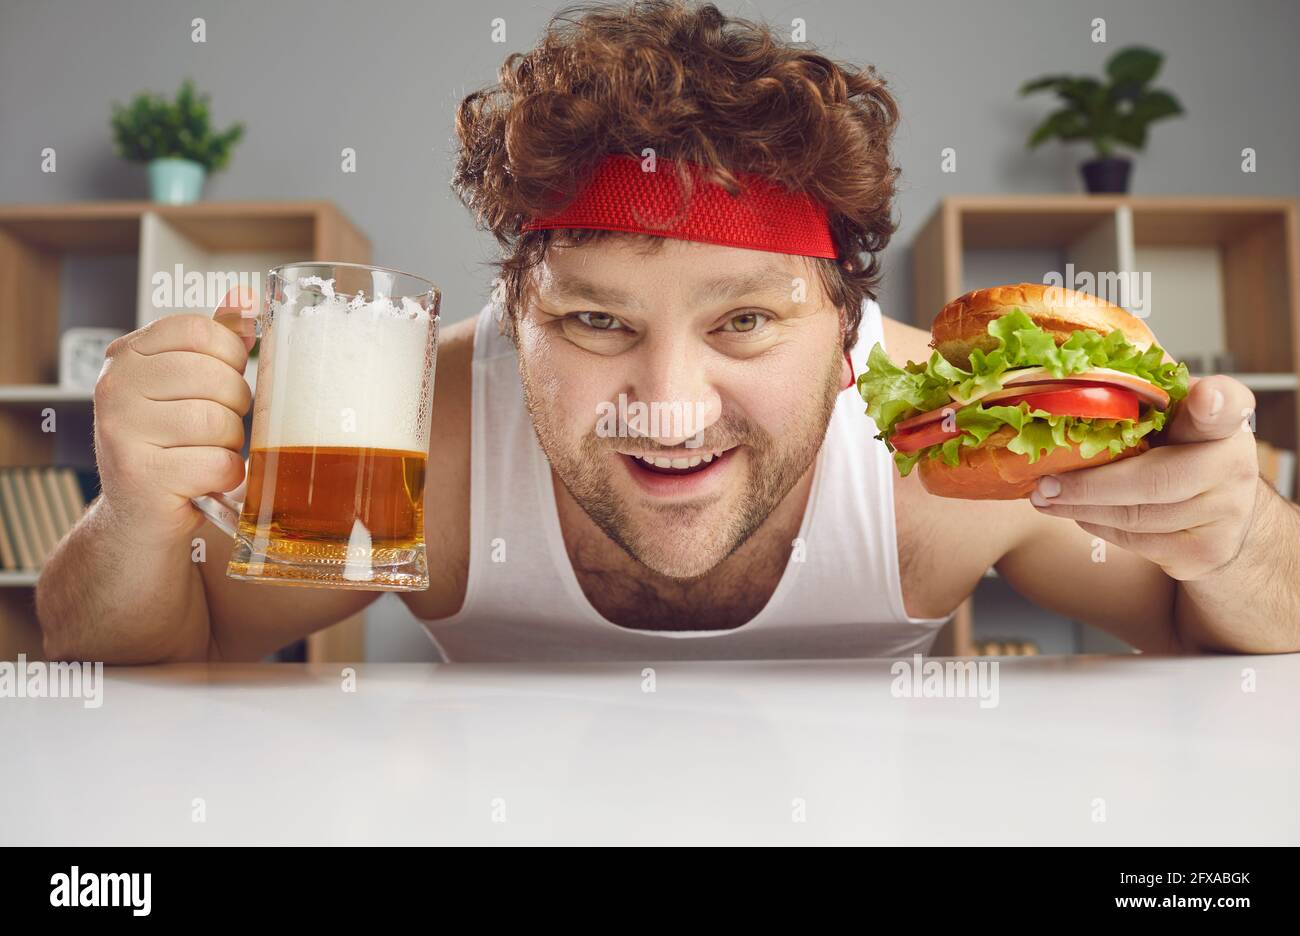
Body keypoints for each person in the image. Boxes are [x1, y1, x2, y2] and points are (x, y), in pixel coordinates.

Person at [37, 1, 1300, 662]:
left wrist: (1234, 537)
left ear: (850, 324)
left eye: (746, 319)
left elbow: (1233, 635)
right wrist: (134, 510)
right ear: (514, 314)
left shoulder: (949, 441)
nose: (669, 403)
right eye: (593, 320)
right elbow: (154, 647)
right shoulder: (411, 429)